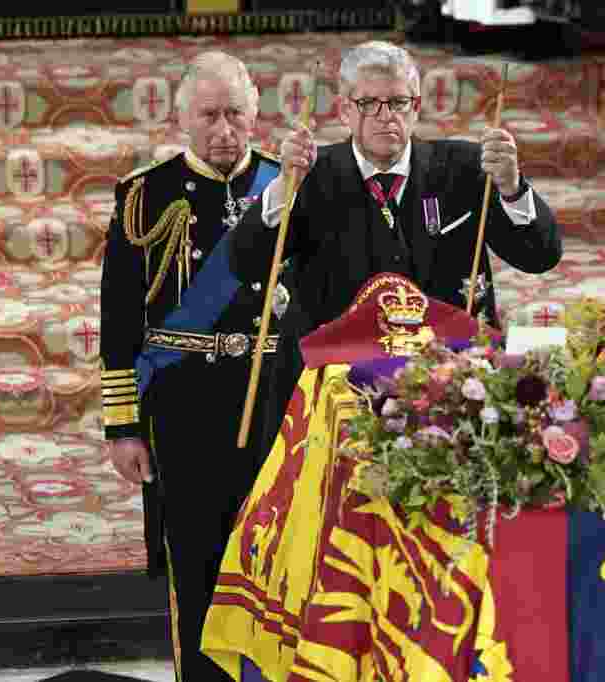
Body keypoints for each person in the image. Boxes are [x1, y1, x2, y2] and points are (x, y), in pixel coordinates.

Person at [99, 50, 298, 682]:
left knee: (278, 553)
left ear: (255, 112)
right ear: (182, 117)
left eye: (235, 114)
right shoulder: (145, 196)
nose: (224, 130)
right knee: (196, 559)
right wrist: (123, 426)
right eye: (209, 115)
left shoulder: (288, 186)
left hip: (272, 394)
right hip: (182, 405)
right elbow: (120, 319)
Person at [231, 40, 562, 339]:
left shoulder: (466, 168)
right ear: (345, 110)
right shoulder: (308, 175)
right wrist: (282, 190)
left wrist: (512, 188)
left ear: (416, 107)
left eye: (398, 102)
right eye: (368, 103)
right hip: (337, 371)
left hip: (448, 369)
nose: (385, 116)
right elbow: (244, 264)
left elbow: (539, 257)